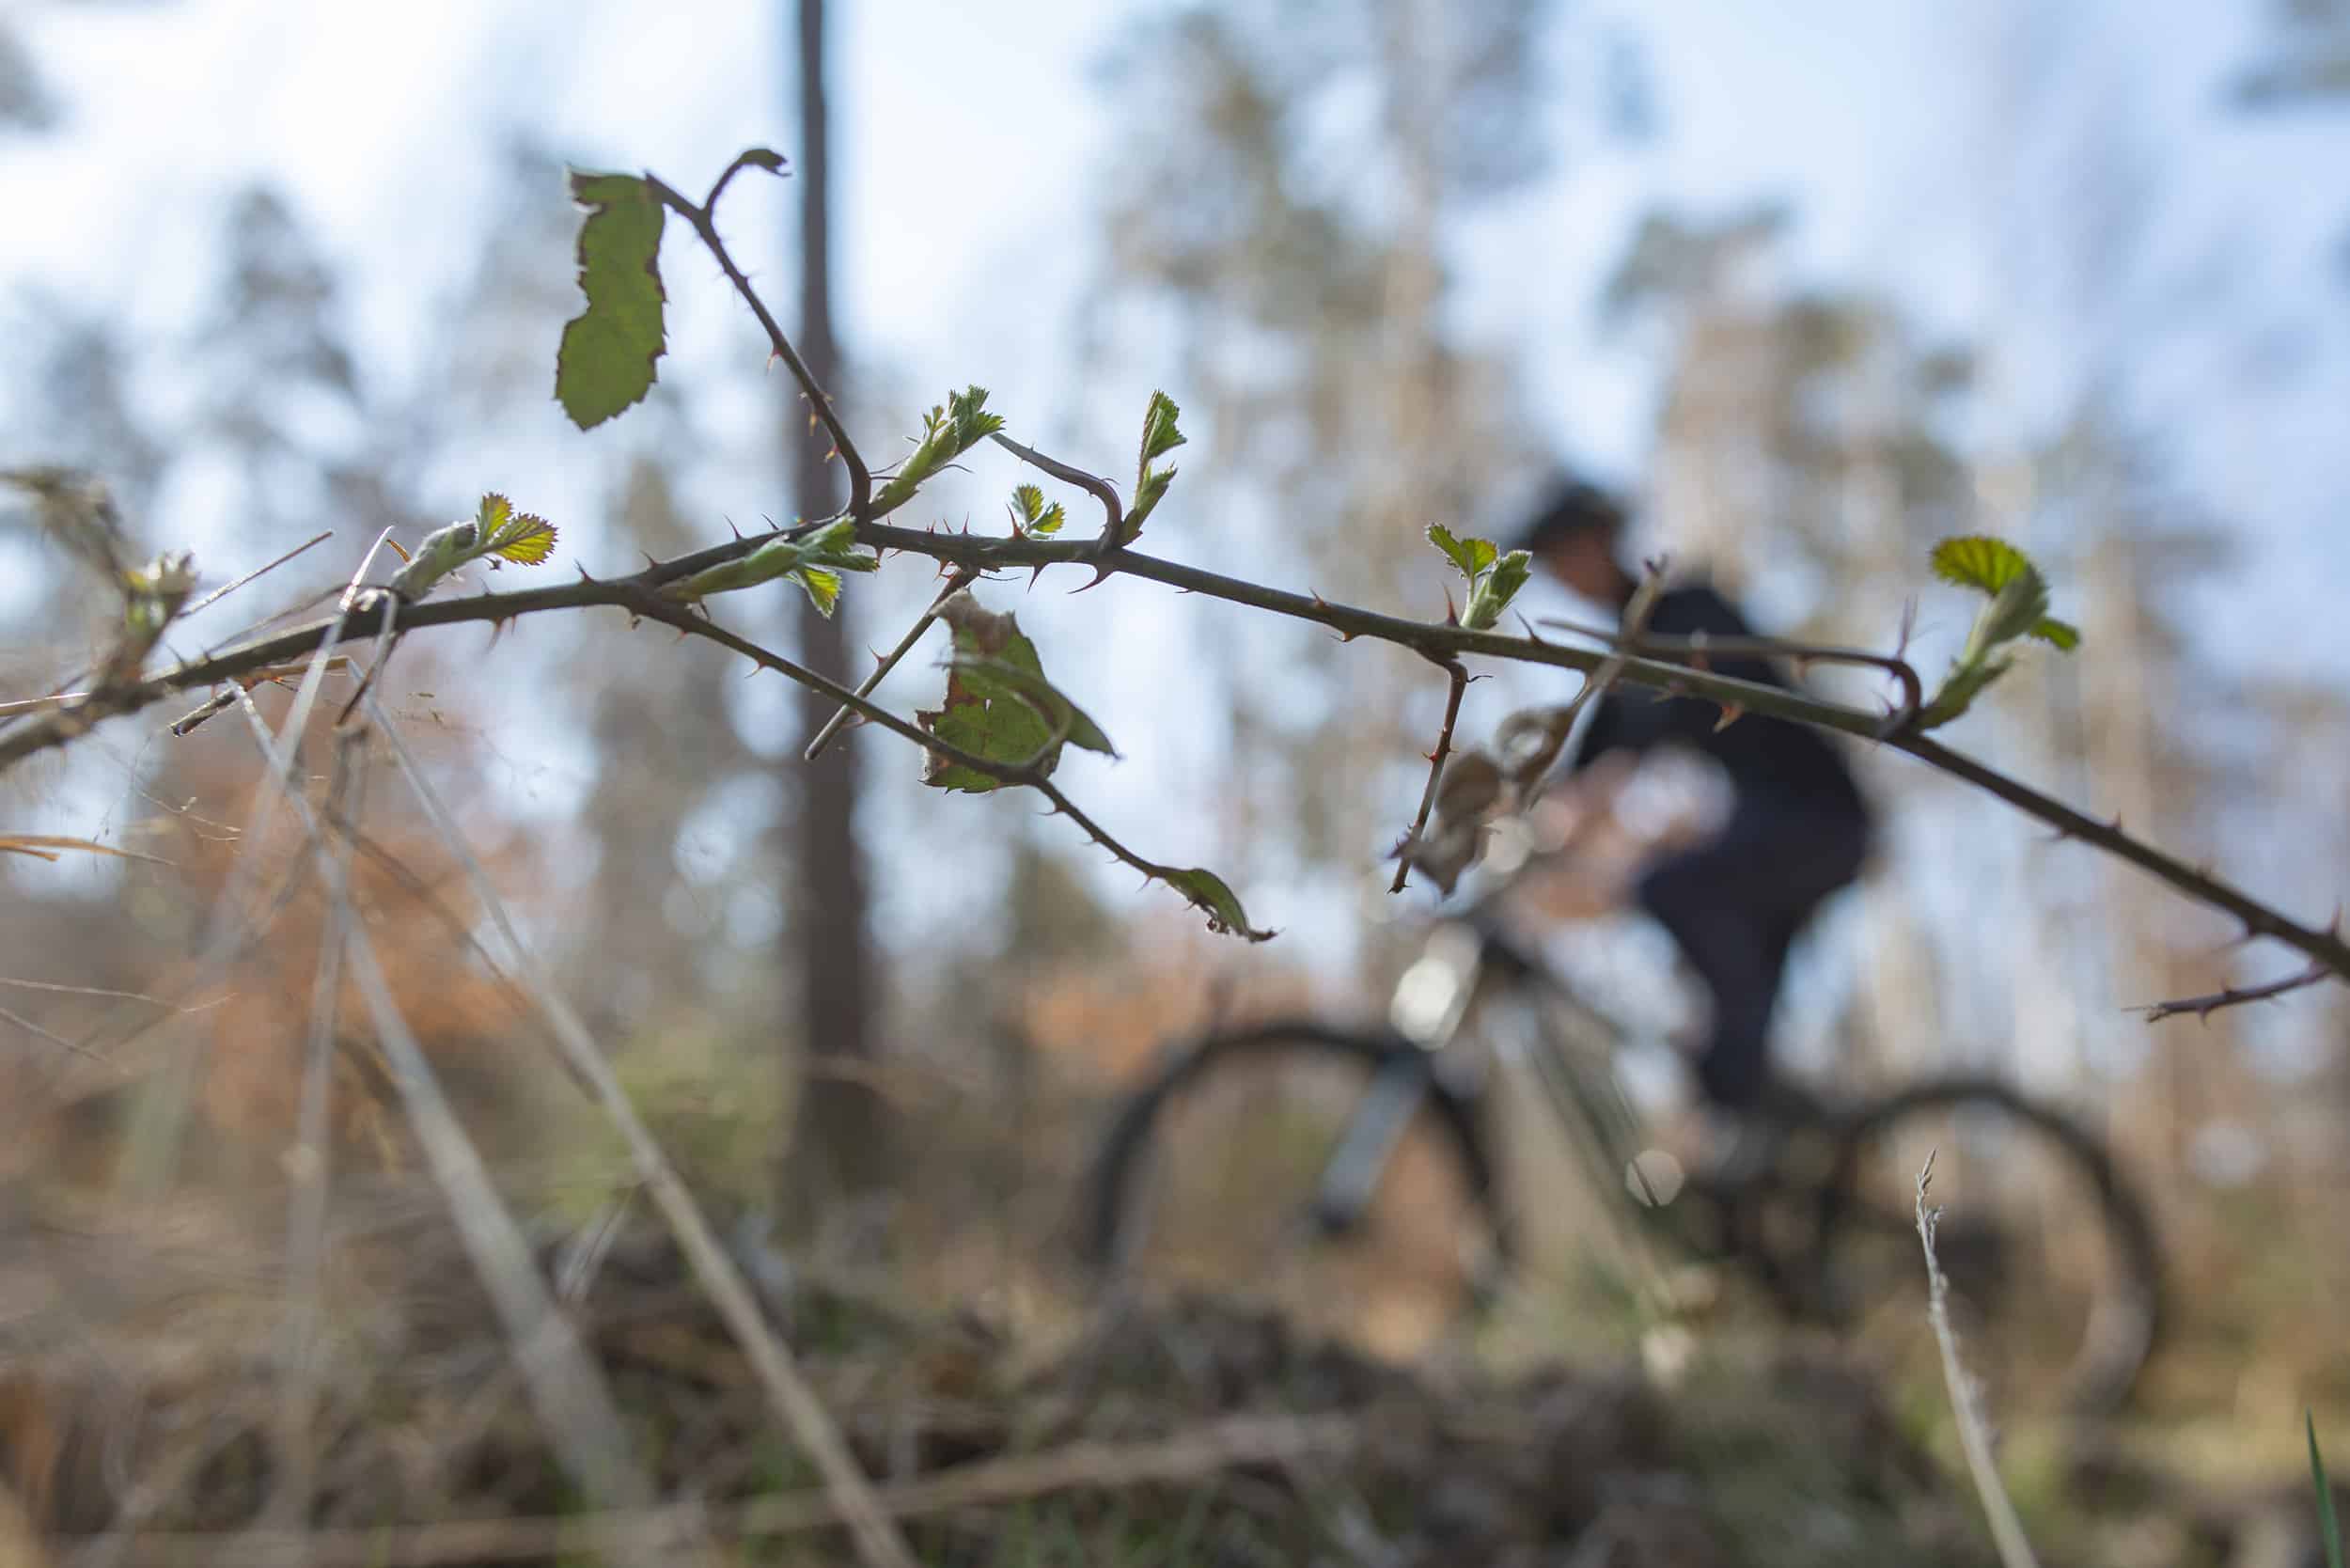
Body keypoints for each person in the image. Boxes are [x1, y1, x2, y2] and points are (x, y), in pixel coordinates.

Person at [1513, 478, 1873, 1150]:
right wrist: (1530, 813)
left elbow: (1659, 711)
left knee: (1674, 888)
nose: (1561, 577)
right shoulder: (1628, 649)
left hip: (1817, 822)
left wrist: (1591, 804)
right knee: (1728, 1032)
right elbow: (1588, 756)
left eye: (1563, 555)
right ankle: (1776, 1155)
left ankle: (1749, 1114)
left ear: (1597, 542)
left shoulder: (1684, 611)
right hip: (1770, 827)